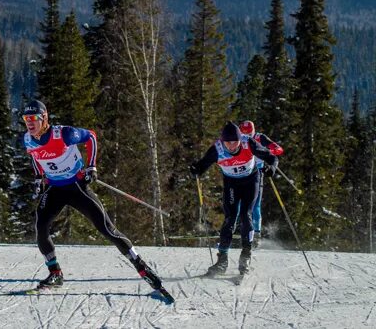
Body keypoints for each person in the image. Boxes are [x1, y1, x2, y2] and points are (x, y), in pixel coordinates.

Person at [22, 100, 165, 292]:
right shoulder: (28, 139)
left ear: (44, 118)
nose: (29, 123)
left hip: (76, 187)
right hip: (54, 189)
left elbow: (91, 137)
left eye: (33, 119)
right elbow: (34, 157)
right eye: (26, 119)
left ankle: (141, 266)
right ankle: (55, 273)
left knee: (106, 228)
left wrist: (91, 166)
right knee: (41, 226)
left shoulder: (63, 133)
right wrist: (39, 177)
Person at [190, 121, 278, 275]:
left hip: (251, 181)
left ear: (240, 139)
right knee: (230, 218)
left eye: (235, 142)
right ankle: (222, 261)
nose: (231, 146)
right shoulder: (217, 150)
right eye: (228, 142)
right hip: (231, 184)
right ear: (223, 141)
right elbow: (202, 166)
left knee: (246, 215)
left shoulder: (248, 143)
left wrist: (272, 168)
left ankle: (246, 257)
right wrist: (195, 169)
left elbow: (271, 158)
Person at [237, 120, 284, 244]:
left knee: (255, 204)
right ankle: (232, 231)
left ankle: (257, 233)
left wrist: (272, 151)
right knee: (237, 203)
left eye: (249, 133)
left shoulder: (259, 137)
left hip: (258, 173)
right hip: (241, 172)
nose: (246, 136)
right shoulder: (238, 138)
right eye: (244, 133)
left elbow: (277, 148)